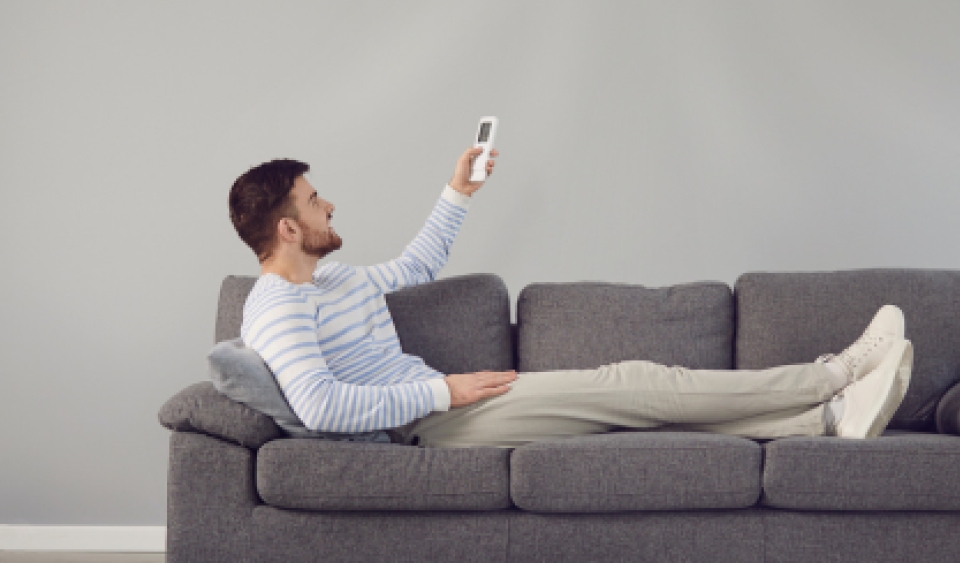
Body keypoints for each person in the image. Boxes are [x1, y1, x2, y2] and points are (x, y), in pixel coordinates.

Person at [227, 147, 913, 449]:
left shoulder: (334, 280)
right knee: (637, 383)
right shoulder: (279, 307)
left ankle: (824, 422)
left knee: (632, 411)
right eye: (316, 201)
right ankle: (836, 372)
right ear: (288, 228)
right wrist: (444, 394)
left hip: (443, 406)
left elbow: (418, 264)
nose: (330, 205)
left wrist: (458, 191)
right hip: (428, 426)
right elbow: (318, 407)